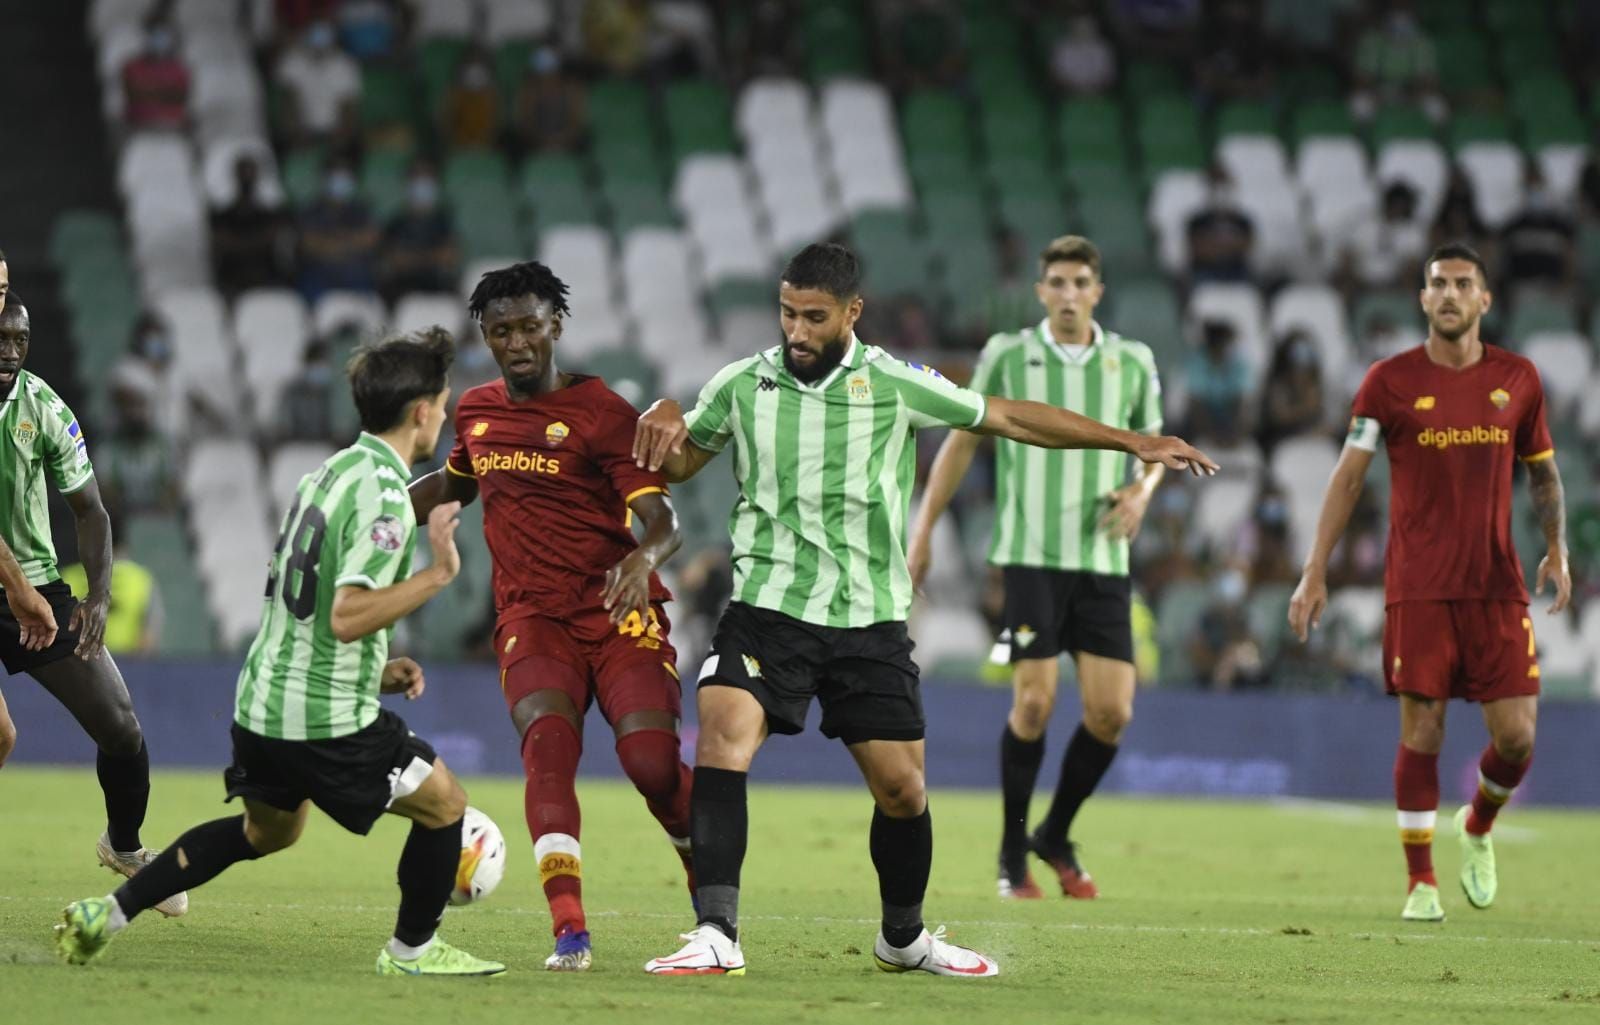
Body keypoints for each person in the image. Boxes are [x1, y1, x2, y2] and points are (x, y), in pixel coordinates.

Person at [631, 243, 1217, 977]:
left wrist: (1132, 440)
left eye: (815, 316)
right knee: (722, 737)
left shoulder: (893, 382)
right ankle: (716, 930)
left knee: (904, 789)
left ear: (852, 312)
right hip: (767, 606)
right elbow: (684, 457)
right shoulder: (744, 384)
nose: (798, 331)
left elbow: (1006, 417)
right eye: (788, 313)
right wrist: (661, 421)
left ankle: (903, 939)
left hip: (869, 617)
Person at [55, 329, 506, 977]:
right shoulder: (382, 492)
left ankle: (108, 913)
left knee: (267, 832)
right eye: (443, 399)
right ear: (422, 411)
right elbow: (348, 614)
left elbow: (307, 607)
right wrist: (437, 573)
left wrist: (375, 670)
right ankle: (412, 950)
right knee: (446, 804)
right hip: (322, 718)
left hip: (263, 701)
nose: (444, 410)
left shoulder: (329, 472)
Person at [408, 262, 695, 973]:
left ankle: (708, 888)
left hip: (615, 610)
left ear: (555, 325)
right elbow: (453, 484)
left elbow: (663, 520)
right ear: (486, 336)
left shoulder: (603, 413)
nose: (517, 341)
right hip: (533, 618)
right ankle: (570, 931)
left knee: (651, 763)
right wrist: (367, 503)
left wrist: (641, 558)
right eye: (501, 330)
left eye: (529, 325)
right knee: (547, 745)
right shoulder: (477, 412)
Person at [1288, 243, 1570, 923]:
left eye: (1462, 283)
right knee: (1423, 727)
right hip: (1417, 583)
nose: (1449, 293)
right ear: (1422, 299)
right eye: (1437, 283)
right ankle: (1421, 882)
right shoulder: (1388, 381)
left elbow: (1542, 472)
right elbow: (1349, 474)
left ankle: (1476, 824)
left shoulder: (1519, 378)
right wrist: (1315, 567)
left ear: (1484, 300)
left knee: (1517, 737)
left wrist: (1558, 547)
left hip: (1495, 581)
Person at [907, 235, 1168, 901]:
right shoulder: (1006, 355)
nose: (1070, 294)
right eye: (1058, 281)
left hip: (1104, 558)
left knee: (1113, 713)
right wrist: (926, 526)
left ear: (1098, 291)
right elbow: (964, 439)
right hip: (1026, 558)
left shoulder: (1132, 361)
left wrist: (1142, 490)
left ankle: (1054, 833)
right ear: (1041, 290)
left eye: (1082, 281)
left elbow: (1153, 448)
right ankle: (1009, 852)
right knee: (1034, 699)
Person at [0, 296, 179, 916]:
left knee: (121, 725)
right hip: (12, 588)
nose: (9, 352)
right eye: (1, 338)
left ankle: (124, 846)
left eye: (20, 341)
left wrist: (98, 596)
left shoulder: (43, 407)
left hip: (36, 589)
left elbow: (90, 511)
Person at [60, 508, 163, 656]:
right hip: (129, 666)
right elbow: (149, 635)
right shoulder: (142, 579)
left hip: (80, 665)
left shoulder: (67, 577)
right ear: (123, 542)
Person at [210, 155, 295, 298]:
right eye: (243, 173)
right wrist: (257, 241)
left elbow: (271, 240)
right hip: (231, 279)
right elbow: (223, 244)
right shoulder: (221, 216)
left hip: (266, 277)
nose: (247, 178)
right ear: (236, 176)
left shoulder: (270, 215)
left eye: (250, 173)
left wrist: (237, 243)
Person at [378, 161, 459, 304]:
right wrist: (432, 256)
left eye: (427, 178)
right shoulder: (396, 222)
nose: (422, 184)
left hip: (438, 285)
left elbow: (449, 256)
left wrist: (413, 258)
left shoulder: (443, 220)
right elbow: (395, 260)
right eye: (417, 178)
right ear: (408, 184)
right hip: (402, 289)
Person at [121, 19, 190, 131]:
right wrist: (165, 92)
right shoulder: (131, 67)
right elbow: (134, 95)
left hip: (172, 124)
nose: (159, 40)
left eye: (163, 35)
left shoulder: (180, 69)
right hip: (139, 123)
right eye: (154, 35)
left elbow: (180, 97)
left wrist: (149, 90)